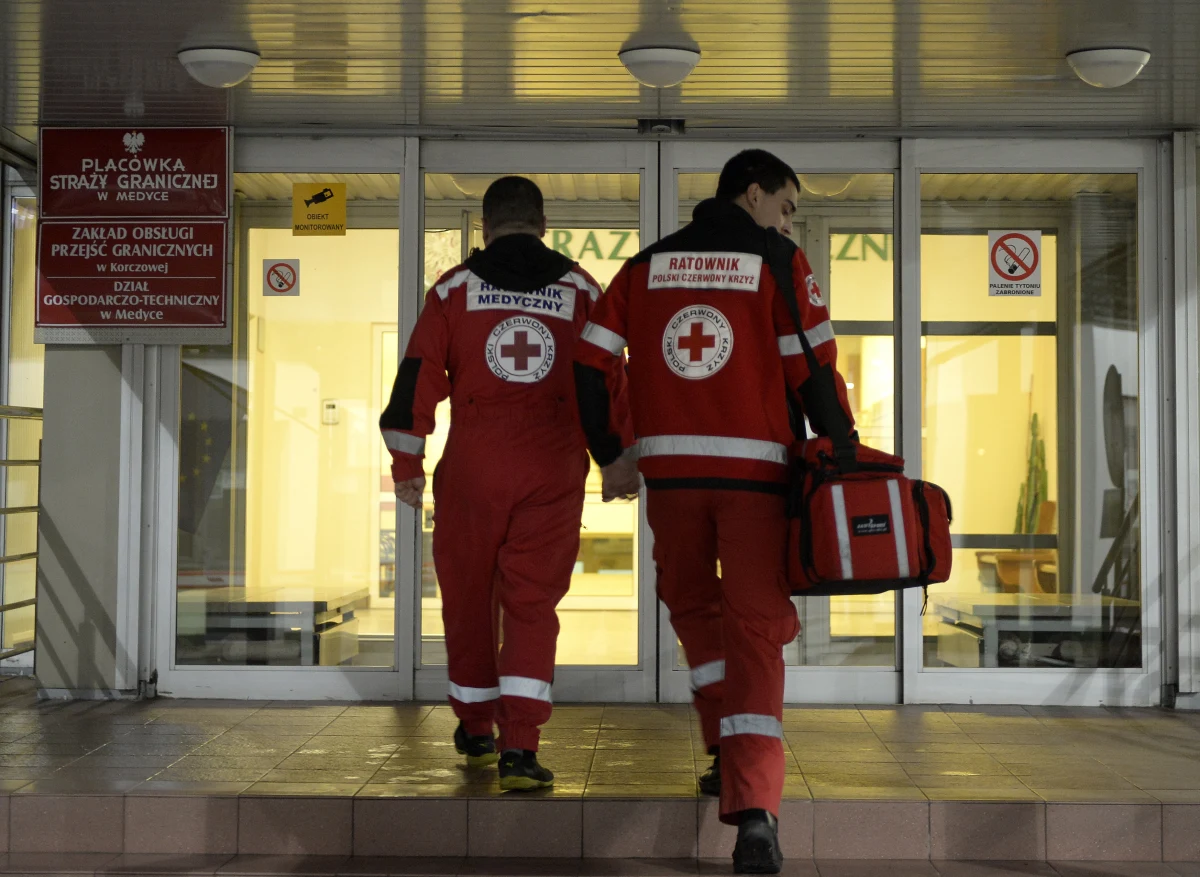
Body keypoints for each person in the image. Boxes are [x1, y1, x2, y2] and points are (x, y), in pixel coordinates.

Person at [575, 150, 855, 873]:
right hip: (756, 481)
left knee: (697, 612)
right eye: (786, 206)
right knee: (756, 629)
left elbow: (590, 359)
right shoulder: (776, 261)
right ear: (753, 194)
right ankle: (755, 810)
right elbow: (813, 365)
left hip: (672, 483)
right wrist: (843, 450)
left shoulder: (645, 266)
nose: (788, 222)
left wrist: (612, 453)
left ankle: (723, 749)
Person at [381, 176, 631, 791]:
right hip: (552, 466)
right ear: (543, 226)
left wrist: (407, 464)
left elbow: (416, 376)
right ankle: (520, 746)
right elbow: (608, 379)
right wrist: (617, 458)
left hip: (474, 467)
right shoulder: (581, 290)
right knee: (531, 603)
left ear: (485, 227)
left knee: (468, 596)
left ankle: (476, 730)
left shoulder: (453, 289)